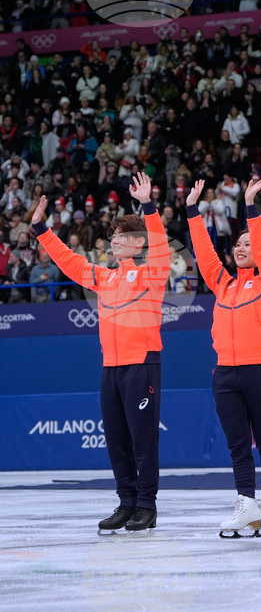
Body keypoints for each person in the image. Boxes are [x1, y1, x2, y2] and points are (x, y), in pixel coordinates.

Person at [31, 174, 168, 533]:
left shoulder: (152, 274)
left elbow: (163, 245)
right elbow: (70, 261)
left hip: (142, 364)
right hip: (111, 368)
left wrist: (149, 206)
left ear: (139, 242)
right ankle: (126, 501)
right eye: (113, 236)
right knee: (118, 440)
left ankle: (146, 505)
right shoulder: (104, 278)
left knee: (143, 439)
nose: (115, 241)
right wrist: (42, 229)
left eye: (122, 236)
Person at [186, 177, 261, 538]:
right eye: (238, 244)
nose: (243, 248)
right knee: (238, 445)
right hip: (225, 374)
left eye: (249, 244)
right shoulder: (222, 283)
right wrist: (192, 211)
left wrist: (249, 205)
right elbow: (204, 252)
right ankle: (246, 504)